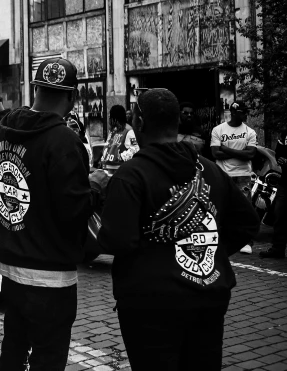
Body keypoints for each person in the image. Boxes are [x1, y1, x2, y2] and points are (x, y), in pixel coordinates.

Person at [97, 88, 260, 371]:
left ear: (139, 122)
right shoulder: (210, 170)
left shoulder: (130, 176)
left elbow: (116, 241)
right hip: (209, 296)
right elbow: (247, 222)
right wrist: (211, 250)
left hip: (151, 304)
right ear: (176, 122)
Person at [0, 58, 104, 371]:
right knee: (48, 359)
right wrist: (95, 189)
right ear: (71, 97)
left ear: (35, 88)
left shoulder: (0, 131)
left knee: (13, 347)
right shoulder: (65, 141)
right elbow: (73, 212)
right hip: (51, 277)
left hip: (9, 268)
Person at [211, 101, 258, 253]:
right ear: (234, 112)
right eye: (243, 112)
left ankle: (246, 242)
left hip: (243, 175)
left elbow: (250, 154)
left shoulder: (250, 132)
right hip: (223, 174)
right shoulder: (218, 130)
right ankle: (220, 239)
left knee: (244, 208)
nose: (246, 115)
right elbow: (215, 153)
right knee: (221, 207)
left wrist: (225, 148)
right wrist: (240, 153)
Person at [261, 130, 286, 259]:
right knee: (279, 215)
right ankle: (278, 249)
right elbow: (279, 151)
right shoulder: (285, 133)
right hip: (285, 182)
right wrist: (280, 158)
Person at [99, 104, 139, 172]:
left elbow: (135, 149)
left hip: (120, 169)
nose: (109, 117)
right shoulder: (112, 130)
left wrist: (121, 157)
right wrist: (103, 157)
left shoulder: (128, 130)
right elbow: (108, 145)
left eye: (110, 115)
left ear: (115, 117)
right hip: (108, 168)